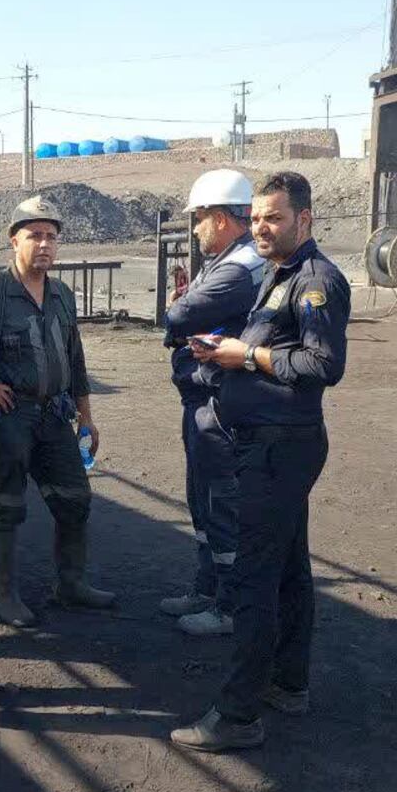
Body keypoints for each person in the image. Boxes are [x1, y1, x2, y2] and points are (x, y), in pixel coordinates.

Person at [172, 171, 350, 753]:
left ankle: (238, 714)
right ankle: (287, 681)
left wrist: (244, 355)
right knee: (290, 569)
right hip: (268, 441)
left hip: (280, 446)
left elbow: (323, 363)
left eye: (273, 218)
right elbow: (267, 346)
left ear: (305, 220)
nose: (261, 228)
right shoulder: (279, 276)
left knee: (253, 577)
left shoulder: (318, 281)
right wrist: (225, 356)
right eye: (255, 219)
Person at [0, 195, 114, 628]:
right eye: (34, 235)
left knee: (75, 499)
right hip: (10, 416)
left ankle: (69, 584)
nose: (45, 244)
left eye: (51, 236)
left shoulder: (62, 295)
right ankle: (3, 593)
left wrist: (86, 414)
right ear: (13, 240)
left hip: (55, 415)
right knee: (7, 504)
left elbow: (75, 357)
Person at [159, 170, 267, 637]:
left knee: (221, 499)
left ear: (222, 218)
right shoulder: (225, 259)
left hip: (220, 400)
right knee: (200, 496)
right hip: (202, 395)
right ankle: (206, 587)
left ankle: (227, 605)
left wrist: (180, 317)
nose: (197, 227)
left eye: (200, 218)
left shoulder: (238, 266)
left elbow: (179, 312)